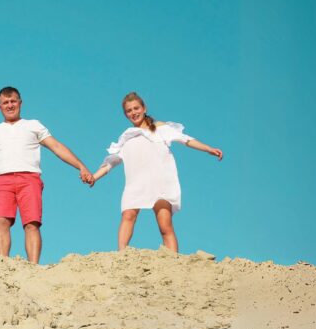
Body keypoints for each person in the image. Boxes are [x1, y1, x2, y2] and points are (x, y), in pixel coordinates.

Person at [0, 86, 94, 264]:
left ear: (20, 103)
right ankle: (3, 264)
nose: (9, 105)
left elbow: (56, 147)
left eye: (13, 101)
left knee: (32, 223)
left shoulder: (33, 125)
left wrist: (81, 166)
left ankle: (33, 266)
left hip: (29, 179)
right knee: (1, 221)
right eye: (5, 103)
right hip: (1, 180)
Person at [91, 92, 223, 252]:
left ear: (144, 108)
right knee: (128, 216)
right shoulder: (126, 136)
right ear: (125, 114)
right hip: (136, 184)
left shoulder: (161, 128)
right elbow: (111, 161)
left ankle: (174, 262)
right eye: (129, 111)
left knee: (164, 224)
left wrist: (208, 149)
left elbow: (185, 139)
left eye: (136, 108)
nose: (133, 112)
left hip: (160, 182)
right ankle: (121, 256)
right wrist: (94, 177)